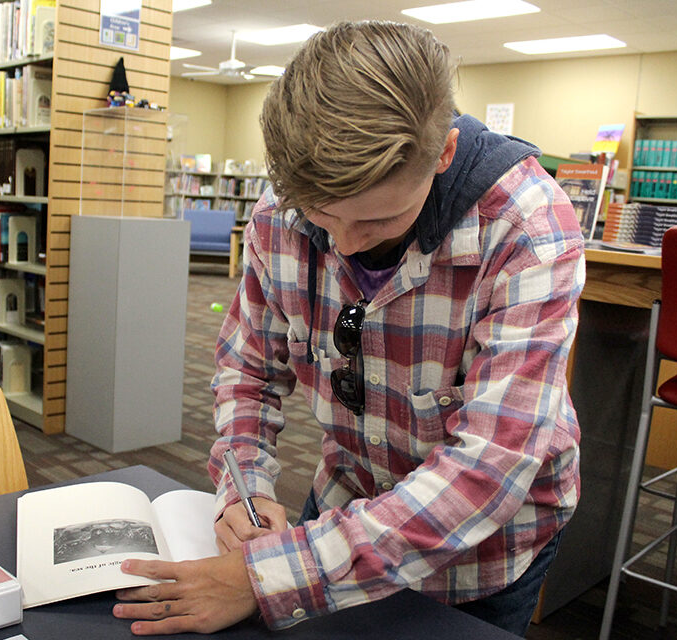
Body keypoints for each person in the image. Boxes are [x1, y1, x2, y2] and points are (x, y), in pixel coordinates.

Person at [113, 20, 585, 636]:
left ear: (443, 152)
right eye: (323, 217)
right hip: (347, 497)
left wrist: (269, 576)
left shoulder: (527, 228)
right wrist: (244, 490)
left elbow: (488, 467)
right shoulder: (277, 214)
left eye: (378, 220)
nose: (343, 245)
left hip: (483, 552)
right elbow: (249, 372)